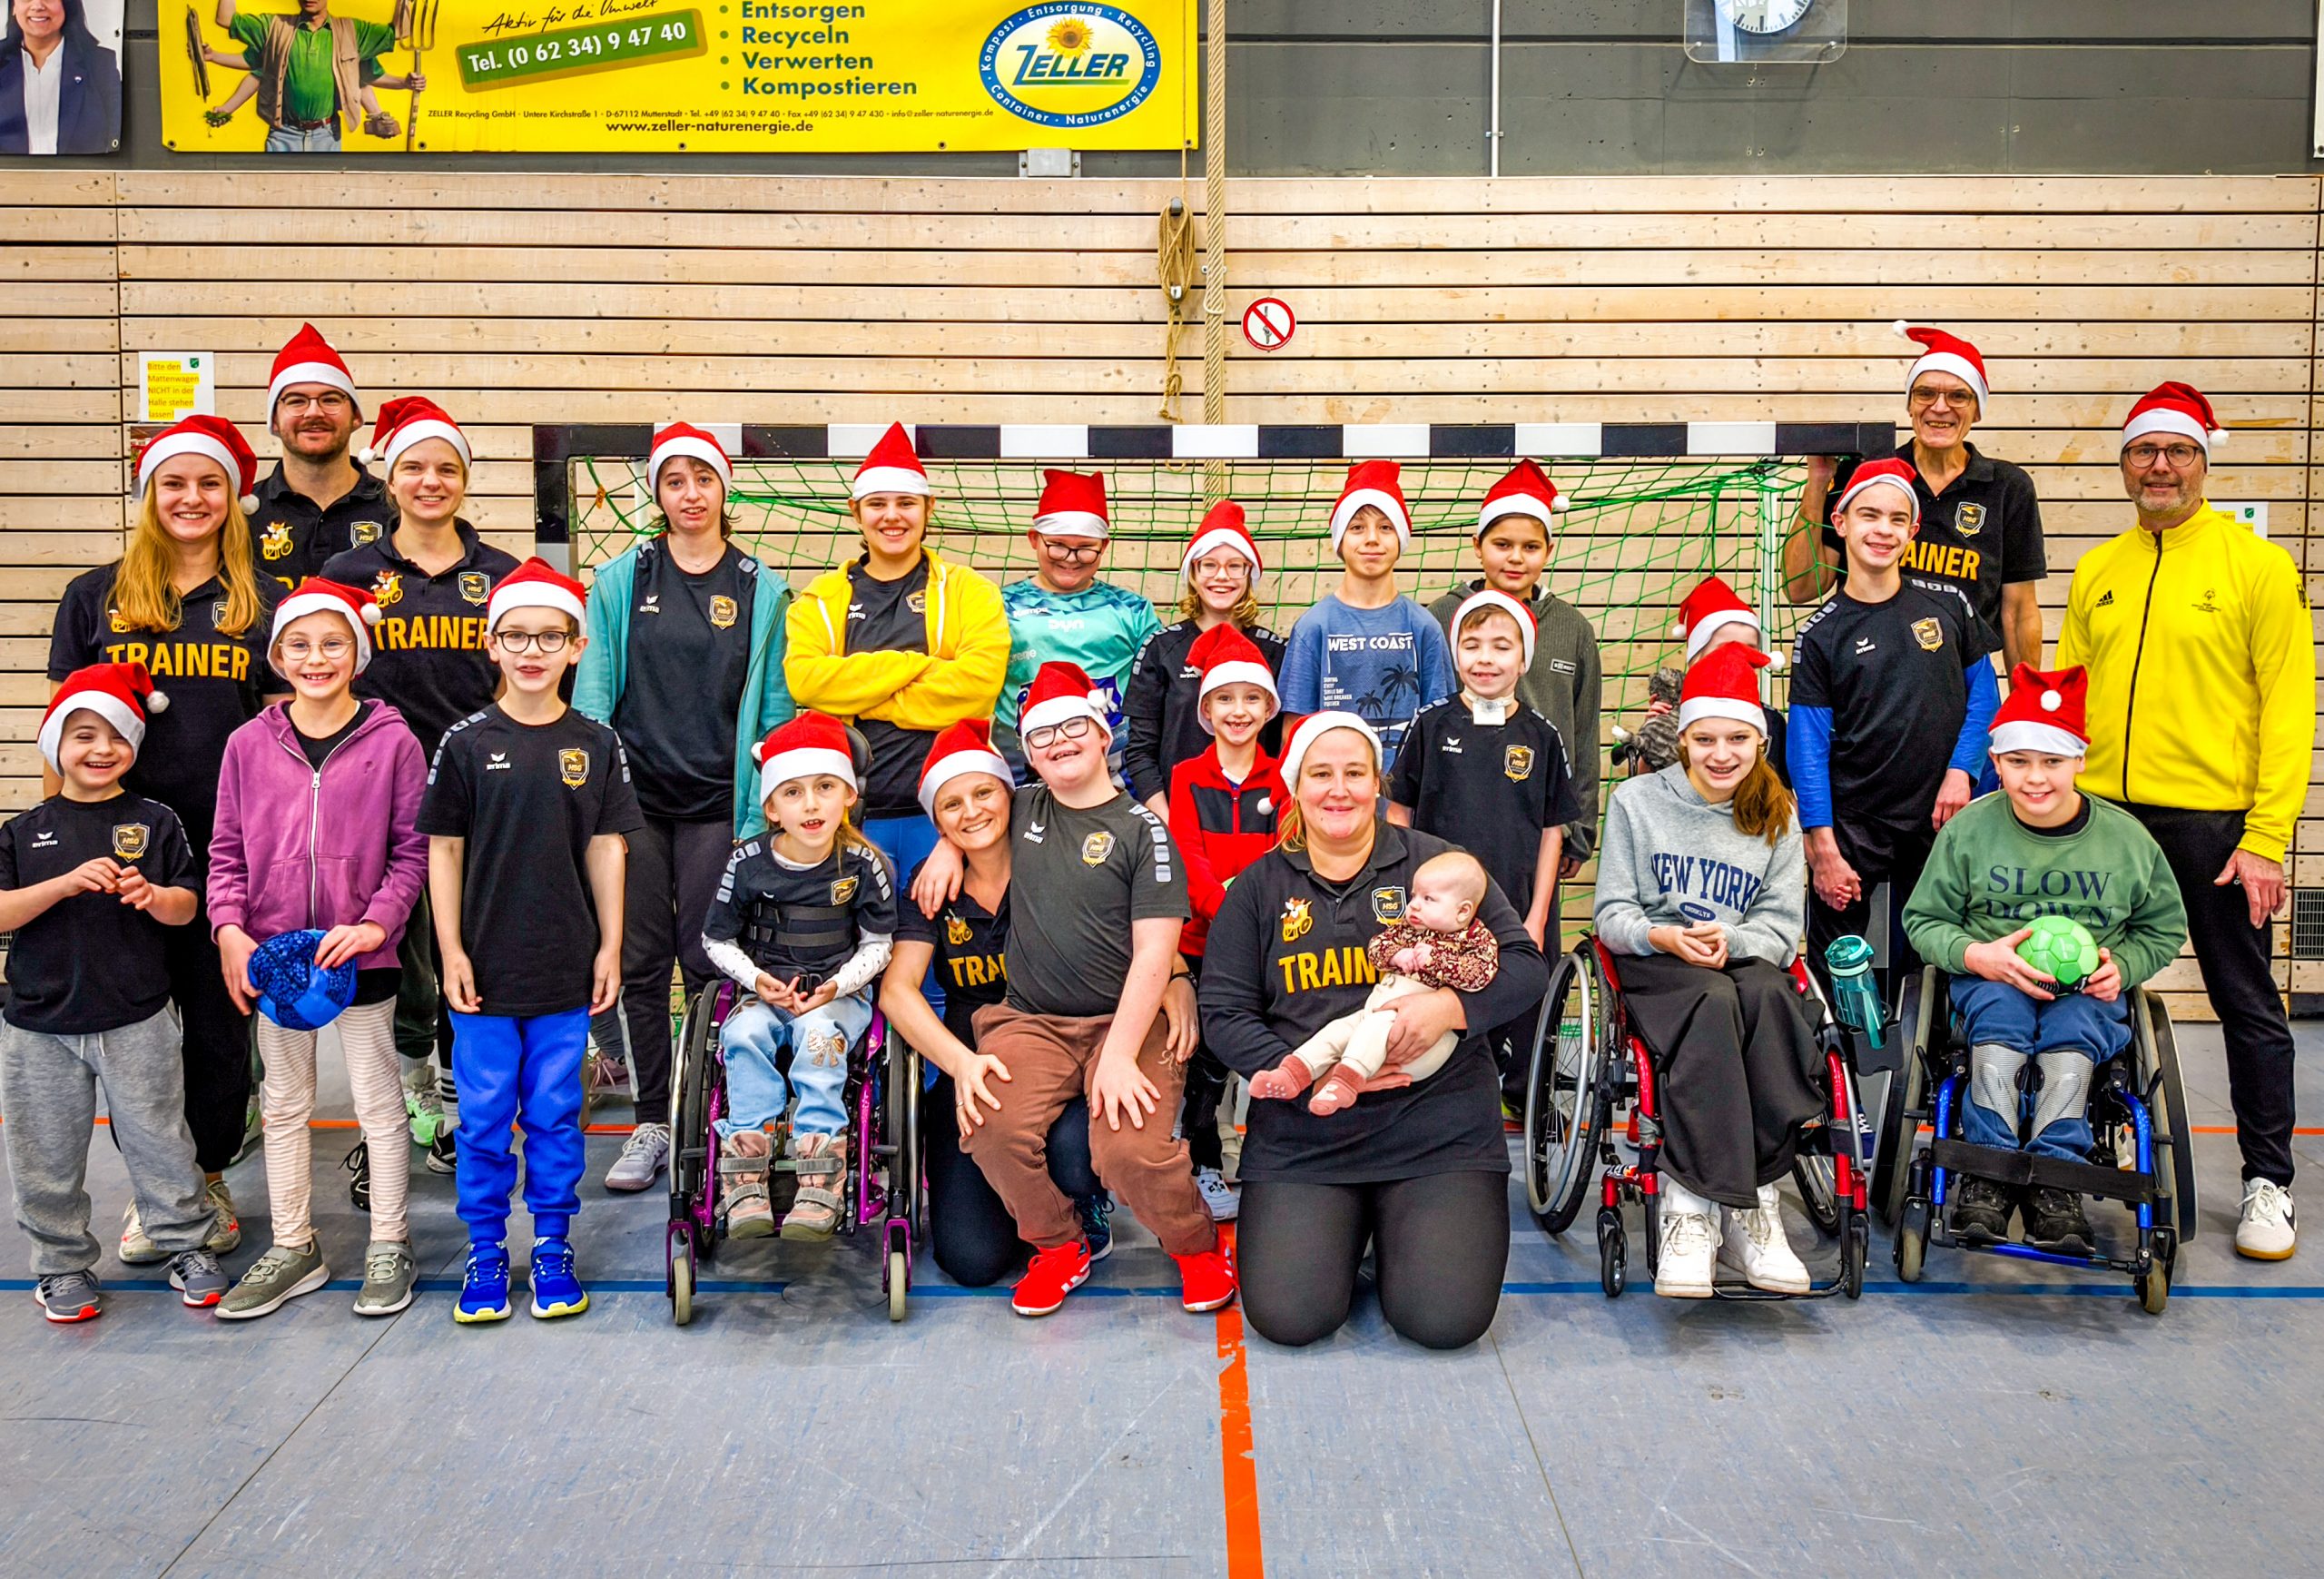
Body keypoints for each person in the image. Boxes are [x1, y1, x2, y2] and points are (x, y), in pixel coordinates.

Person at [2057, 381, 2317, 1261]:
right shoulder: (2099, 569)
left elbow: (2289, 710)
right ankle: (2075, 1152)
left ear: (2204, 462)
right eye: (2143, 450)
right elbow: (2067, 701)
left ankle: (2268, 1180)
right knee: (2076, 981)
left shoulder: (2256, 567)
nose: (2159, 465)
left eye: (2176, 451)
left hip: (2217, 827)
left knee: (2246, 1001)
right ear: (2124, 464)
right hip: (2102, 819)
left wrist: (2266, 836)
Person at [1197, 713, 1548, 1349]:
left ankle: (1398, 1229)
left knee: (1443, 1322)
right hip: (1308, 1132)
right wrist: (1306, 1075)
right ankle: (1353, 1229)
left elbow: (1525, 967)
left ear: (1378, 783)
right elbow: (1223, 1012)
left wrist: (1449, 1010)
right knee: (1291, 1319)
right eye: (1321, 774)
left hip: (1436, 1127)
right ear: (1294, 785)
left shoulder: (1438, 865)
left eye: (1355, 773)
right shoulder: (1257, 887)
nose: (1339, 790)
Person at [48, 414, 282, 1262]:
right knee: (134, 1033)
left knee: (218, 1028)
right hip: (120, 854)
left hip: (226, 850)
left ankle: (208, 1175)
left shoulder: (266, 601)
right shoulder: (93, 596)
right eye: (173, 482)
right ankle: (158, 1188)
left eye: (209, 482)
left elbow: (283, 734)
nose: (192, 497)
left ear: (233, 495)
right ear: (149, 494)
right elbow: (64, 730)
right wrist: (65, 842)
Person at [956, 663, 1233, 1317]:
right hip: (1032, 1021)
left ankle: (1195, 1246)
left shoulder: (1144, 830)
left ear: (1104, 734)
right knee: (990, 1128)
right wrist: (949, 848)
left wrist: (1120, 1053)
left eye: (1073, 726)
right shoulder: (1022, 810)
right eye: (1041, 735)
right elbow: (967, 816)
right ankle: (1059, 1244)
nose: (1059, 742)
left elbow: (1156, 953)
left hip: (1127, 1020)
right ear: (1027, 755)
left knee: (1128, 1149)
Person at [419, 559, 640, 1324]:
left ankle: (550, 1244)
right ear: (492, 643)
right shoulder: (465, 742)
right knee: (482, 1119)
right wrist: (451, 949)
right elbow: (443, 851)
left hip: (564, 966)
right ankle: (485, 1249)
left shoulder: (597, 743)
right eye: (516, 635)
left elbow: (607, 848)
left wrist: (610, 945)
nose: (532, 650)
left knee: (554, 1113)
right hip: (482, 971)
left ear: (577, 647)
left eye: (550, 636)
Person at [1902, 664, 2188, 1254]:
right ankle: (1988, 1171)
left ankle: (2057, 1182)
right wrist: (1977, 954)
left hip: (2085, 992)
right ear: (1996, 762)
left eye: (2052, 761)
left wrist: (2124, 966)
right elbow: (1923, 921)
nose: (2035, 777)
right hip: (1992, 981)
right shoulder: (1969, 831)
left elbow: (2163, 928)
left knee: (2074, 1027)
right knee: (2000, 1017)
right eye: (2018, 761)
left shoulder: (2127, 841)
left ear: (2079, 759)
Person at [577, 423, 794, 1195]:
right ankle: (652, 1120)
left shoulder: (761, 586)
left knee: (708, 959)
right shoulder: (621, 579)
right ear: (658, 494)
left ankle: (708, 1108)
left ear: (724, 489)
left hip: (717, 806)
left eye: (704, 479)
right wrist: (595, 805)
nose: (690, 494)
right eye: (675, 481)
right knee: (639, 963)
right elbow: (593, 700)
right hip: (635, 807)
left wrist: (763, 807)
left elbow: (774, 708)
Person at [207, 578, 429, 1320]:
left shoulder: (394, 741)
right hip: (276, 959)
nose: (316, 658)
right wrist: (229, 927)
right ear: (277, 655)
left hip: (360, 956)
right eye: (299, 644)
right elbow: (226, 850)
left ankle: (389, 1240)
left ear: (357, 653)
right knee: (283, 1102)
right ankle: (294, 1243)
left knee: (378, 1102)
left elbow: (412, 850)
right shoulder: (247, 744)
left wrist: (376, 925)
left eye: (333, 643)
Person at [321, 394, 517, 1191]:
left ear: (464, 479)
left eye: (446, 468)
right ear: (390, 478)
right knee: (390, 956)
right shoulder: (348, 575)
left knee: (467, 952)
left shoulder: (501, 574)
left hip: (478, 796)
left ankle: (462, 1115)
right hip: (377, 797)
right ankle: (400, 1110)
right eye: (414, 467)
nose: (430, 481)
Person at [1594, 643, 1820, 1298]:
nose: (1722, 754)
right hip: (1657, 961)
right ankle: (1690, 1206)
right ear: (1684, 741)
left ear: (1760, 740)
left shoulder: (1778, 813)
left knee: (1768, 997)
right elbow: (1612, 913)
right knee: (1714, 1001)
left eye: (1738, 739)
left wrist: (1733, 939)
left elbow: (1781, 928)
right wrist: (1660, 933)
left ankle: (1753, 1208)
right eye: (1706, 739)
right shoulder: (1637, 801)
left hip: (1741, 958)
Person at [1, 665, 225, 1322]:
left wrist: (152, 895)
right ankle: (61, 1263)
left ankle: (186, 1243)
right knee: (45, 1153)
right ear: (55, 744)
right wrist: (64, 883)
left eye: (116, 736)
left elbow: (189, 906)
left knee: (161, 1140)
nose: (101, 749)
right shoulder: (23, 830)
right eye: (83, 736)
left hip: (137, 1017)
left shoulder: (155, 821)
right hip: (39, 1026)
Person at [880, 721, 1128, 1285]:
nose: (971, 811)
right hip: (974, 1065)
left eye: (984, 792)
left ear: (1011, 794)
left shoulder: (1058, 858)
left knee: (1072, 1155)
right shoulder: (931, 883)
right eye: (952, 804)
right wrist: (962, 1064)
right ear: (935, 818)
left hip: (1063, 1049)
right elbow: (896, 991)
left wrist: (1177, 977)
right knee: (974, 1261)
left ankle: (1076, 1205)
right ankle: (1027, 1208)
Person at [1790, 458, 1999, 993]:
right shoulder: (1820, 635)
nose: (1882, 529)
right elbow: (1807, 747)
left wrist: (1962, 771)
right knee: (1839, 969)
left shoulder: (1948, 605)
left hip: (1940, 814)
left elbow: (1985, 699)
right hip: (1856, 824)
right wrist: (1822, 844)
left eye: (1896, 519)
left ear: (1912, 530)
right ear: (1841, 523)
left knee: (1936, 961)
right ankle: (1842, 1050)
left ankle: (1925, 1051)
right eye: (1869, 515)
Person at [784, 421, 1008, 916]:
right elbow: (806, 680)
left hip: (946, 819)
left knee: (938, 954)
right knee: (855, 951)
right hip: (850, 818)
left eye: (906, 503)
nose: (892, 516)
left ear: (928, 509)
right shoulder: (819, 600)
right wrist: (917, 666)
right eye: (877, 504)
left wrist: (863, 694)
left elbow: (976, 686)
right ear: (856, 512)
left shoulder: (971, 592)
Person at [698, 714, 896, 1240]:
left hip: (837, 996)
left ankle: (820, 1173)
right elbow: (716, 941)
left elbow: (878, 946)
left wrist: (836, 987)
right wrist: (756, 979)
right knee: (742, 1034)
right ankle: (746, 1172)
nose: (811, 805)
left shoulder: (863, 864)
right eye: (793, 792)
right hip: (766, 993)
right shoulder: (746, 863)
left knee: (818, 1037)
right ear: (771, 807)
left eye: (825, 787)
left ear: (848, 795)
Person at [1782, 323, 2047, 671]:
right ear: (1910, 404)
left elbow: (2019, 611)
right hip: (1866, 673)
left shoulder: (2008, 488)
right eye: (1925, 394)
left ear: (1977, 410)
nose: (1940, 407)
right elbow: (1800, 589)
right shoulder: (1868, 475)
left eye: (1958, 396)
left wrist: (2026, 698)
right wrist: (1818, 482)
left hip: (1958, 680)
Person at [1166, 624, 1287, 1220]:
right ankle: (1204, 1162)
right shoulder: (1187, 776)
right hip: (1204, 943)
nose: (1238, 711)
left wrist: (1255, 919)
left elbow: (1285, 856)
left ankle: (1269, 1160)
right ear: (1207, 709)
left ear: (1268, 708)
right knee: (1207, 1062)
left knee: (1270, 1048)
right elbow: (1190, 861)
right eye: (1225, 699)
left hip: (1269, 943)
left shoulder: (1282, 777)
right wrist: (1230, 912)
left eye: (1251, 698)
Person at [1428, 459, 1600, 872]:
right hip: (1453, 820)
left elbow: (1584, 733)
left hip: (1540, 826)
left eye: (1531, 547)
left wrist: (1578, 831)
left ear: (1549, 551)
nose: (1516, 558)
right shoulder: (1439, 618)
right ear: (1477, 545)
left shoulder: (1573, 628)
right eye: (1502, 545)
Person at [1390, 589, 1581, 949]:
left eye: (1502, 647)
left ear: (1524, 660)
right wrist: (1414, 899)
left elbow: (1551, 834)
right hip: (1438, 918)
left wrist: (1537, 920)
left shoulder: (1543, 736)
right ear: (1456, 654)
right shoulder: (1429, 725)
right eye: (1472, 645)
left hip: (1518, 916)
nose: (1485, 658)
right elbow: (1398, 815)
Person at [1248, 849, 1500, 1116]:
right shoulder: (1410, 928)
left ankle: (1345, 1083)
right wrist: (1395, 955)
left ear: (1462, 911)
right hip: (1376, 1012)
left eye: (1428, 899)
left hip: (1423, 1042)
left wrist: (1435, 960)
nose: (1414, 905)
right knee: (1337, 1030)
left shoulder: (1475, 939)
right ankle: (1293, 1073)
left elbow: (1479, 975)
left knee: (1374, 1027)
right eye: (1414, 895)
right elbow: (1377, 947)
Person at [1278, 460, 1455, 769]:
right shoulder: (1314, 626)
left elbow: (1443, 724)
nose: (1372, 539)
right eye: (1357, 528)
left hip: (1407, 794)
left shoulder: (1424, 626)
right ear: (1339, 541)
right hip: (1335, 792)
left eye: (1385, 527)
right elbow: (1293, 732)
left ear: (1400, 540)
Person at [993, 469, 1162, 779]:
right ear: (1034, 539)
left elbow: (1156, 696)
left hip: (1117, 778)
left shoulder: (1133, 610)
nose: (1070, 558)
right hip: (1022, 774)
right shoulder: (999, 606)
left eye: (1085, 547)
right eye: (1057, 545)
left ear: (1104, 546)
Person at [1124, 501, 1285, 814]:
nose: (1221, 576)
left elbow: (1284, 745)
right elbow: (1141, 751)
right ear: (1193, 574)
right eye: (1209, 565)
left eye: (1235, 566)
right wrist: (1169, 822)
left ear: (1249, 573)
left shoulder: (1275, 652)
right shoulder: (1161, 649)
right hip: (1178, 816)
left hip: (1257, 818)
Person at [248, 325, 395, 591]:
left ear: (356, 416)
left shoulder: (397, 510)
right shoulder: (241, 516)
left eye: (331, 400)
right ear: (274, 420)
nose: (314, 412)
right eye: (296, 401)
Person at [1625, 576, 1790, 785]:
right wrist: (1653, 733)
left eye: (1750, 648)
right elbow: (1645, 787)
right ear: (1695, 658)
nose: (1738, 655)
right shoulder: (1675, 718)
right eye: (1724, 648)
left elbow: (1783, 790)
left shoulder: (1772, 721)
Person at [212, 0, 404, 153]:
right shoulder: (275, 27)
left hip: (327, 135)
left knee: (326, 190)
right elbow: (226, 19)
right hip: (283, 134)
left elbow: (400, 32)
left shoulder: (352, 31)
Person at [0, 0, 119, 154]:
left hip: (80, 171)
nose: (38, 6)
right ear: (14, 7)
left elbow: (115, 140)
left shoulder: (100, 64)